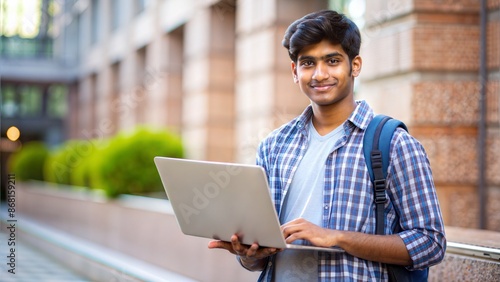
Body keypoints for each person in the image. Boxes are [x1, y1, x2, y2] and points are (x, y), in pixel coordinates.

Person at [208, 9, 446, 281]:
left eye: (332, 61)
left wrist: (337, 237)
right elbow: (261, 261)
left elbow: (431, 243)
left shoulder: (393, 143)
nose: (320, 74)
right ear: (295, 71)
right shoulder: (273, 146)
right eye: (308, 63)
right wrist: (248, 254)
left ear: (354, 65)